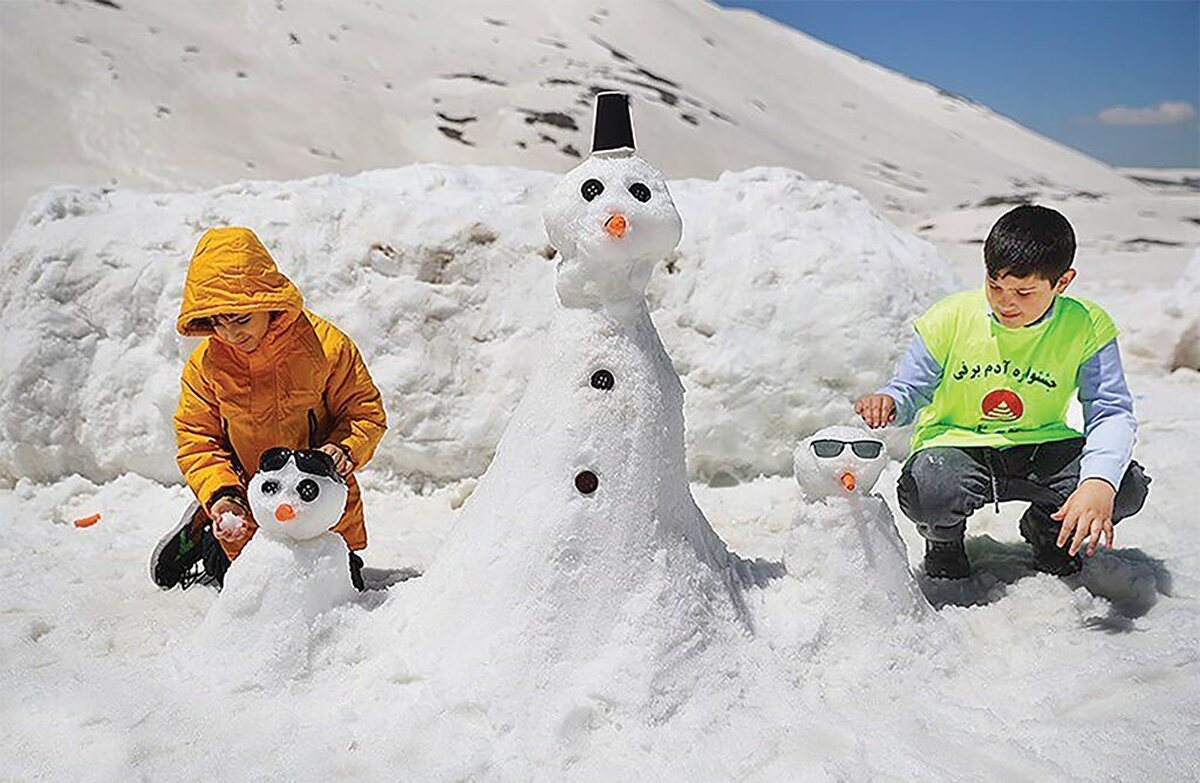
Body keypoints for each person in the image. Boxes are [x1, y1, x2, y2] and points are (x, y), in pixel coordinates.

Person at [855, 205, 1150, 579]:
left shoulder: (1086, 325)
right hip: (958, 447)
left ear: (1062, 282)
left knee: (1124, 486)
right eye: (995, 285)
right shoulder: (950, 317)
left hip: (1042, 447)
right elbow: (910, 387)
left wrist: (1098, 483)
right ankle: (943, 540)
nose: (1005, 301)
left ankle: (1049, 530)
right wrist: (892, 401)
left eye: (1024, 292)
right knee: (929, 485)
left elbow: (1110, 411)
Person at [150, 226, 387, 591]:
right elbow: (198, 440)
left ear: (268, 301)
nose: (230, 335)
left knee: (337, 588)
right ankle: (208, 532)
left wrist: (344, 449)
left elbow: (364, 413)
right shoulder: (206, 367)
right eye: (218, 323)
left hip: (321, 510)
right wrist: (224, 496)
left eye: (241, 320)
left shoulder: (326, 347)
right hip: (250, 509)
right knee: (251, 588)